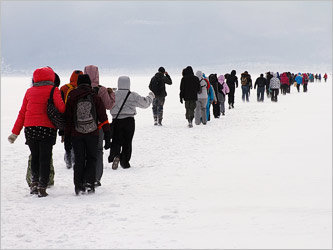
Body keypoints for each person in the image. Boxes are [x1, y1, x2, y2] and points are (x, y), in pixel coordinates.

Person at [8, 67, 65, 197]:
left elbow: (22, 113)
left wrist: (15, 133)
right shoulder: (54, 90)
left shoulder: (29, 91)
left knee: (35, 157)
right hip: (47, 129)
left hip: (30, 129)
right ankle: (42, 187)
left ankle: (34, 183)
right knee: (45, 158)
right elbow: (62, 109)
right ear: (51, 77)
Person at [65, 74, 111, 195]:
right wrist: (107, 133)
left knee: (79, 159)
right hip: (93, 133)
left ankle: (78, 186)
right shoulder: (95, 97)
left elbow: (68, 119)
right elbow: (103, 117)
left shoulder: (72, 96)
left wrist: (67, 137)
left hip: (76, 134)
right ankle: (89, 183)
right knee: (91, 158)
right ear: (89, 83)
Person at [108, 76, 154, 169]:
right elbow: (144, 104)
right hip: (129, 121)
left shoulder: (114, 95)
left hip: (116, 120)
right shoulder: (132, 95)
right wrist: (151, 96)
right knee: (127, 142)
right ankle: (125, 162)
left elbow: (107, 105)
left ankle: (116, 155)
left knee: (116, 140)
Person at [84, 65, 115, 187]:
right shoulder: (102, 90)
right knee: (98, 151)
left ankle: (85, 177)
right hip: (99, 125)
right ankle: (96, 178)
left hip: (82, 126)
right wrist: (111, 94)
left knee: (84, 152)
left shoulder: (80, 88)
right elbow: (109, 105)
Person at [59, 70, 83, 169]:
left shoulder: (64, 88)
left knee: (67, 138)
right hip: (79, 118)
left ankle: (68, 156)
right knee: (77, 138)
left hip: (66, 118)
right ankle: (75, 157)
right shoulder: (82, 88)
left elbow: (59, 105)